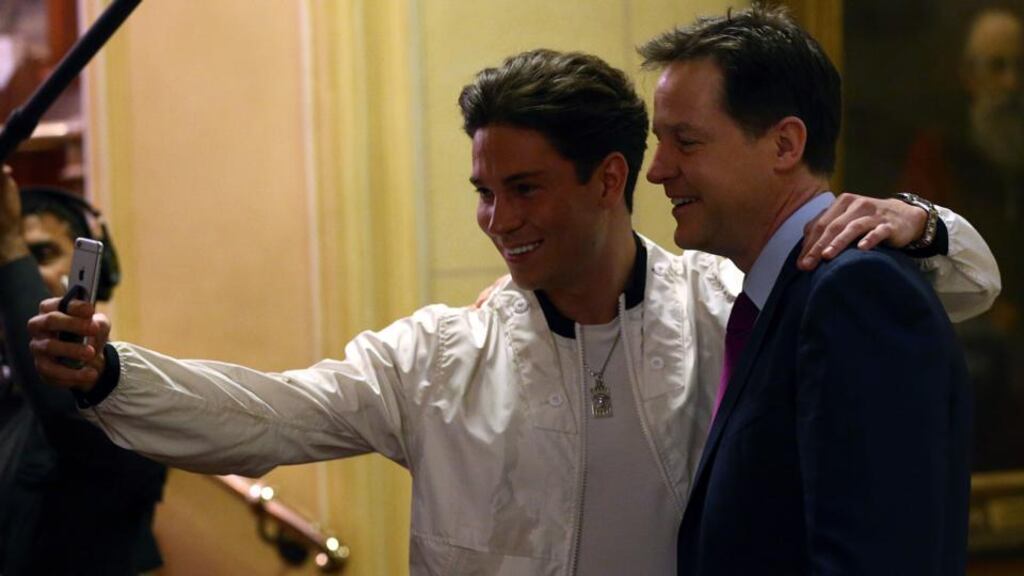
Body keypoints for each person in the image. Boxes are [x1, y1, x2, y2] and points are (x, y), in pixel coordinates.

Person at [26, 48, 997, 574]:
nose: (496, 221)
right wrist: (114, 375)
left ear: (609, 177)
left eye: (524, 189)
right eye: (483, 192)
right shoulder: (445, 354)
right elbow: (272, 413)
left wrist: (919, 223)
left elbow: (941, 302)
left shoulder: (727, 310)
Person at [640, 5, 972, 574]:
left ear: (785, 145)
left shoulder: (854, 293)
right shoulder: (791, 293)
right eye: (658, 141)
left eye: (686, 142)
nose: (658, 169)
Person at [0, 175, 167, 575]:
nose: (12, 275)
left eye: (40, 253)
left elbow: (61, 406)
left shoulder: (128, 397)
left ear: (93, 272)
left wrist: (9, 243)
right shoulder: (9, 402)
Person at [900, 7, 1024, 471]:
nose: (1011, 85)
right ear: (968, 77)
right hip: (972, 333)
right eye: (996, 67)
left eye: (1019, 67)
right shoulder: (938, 153)